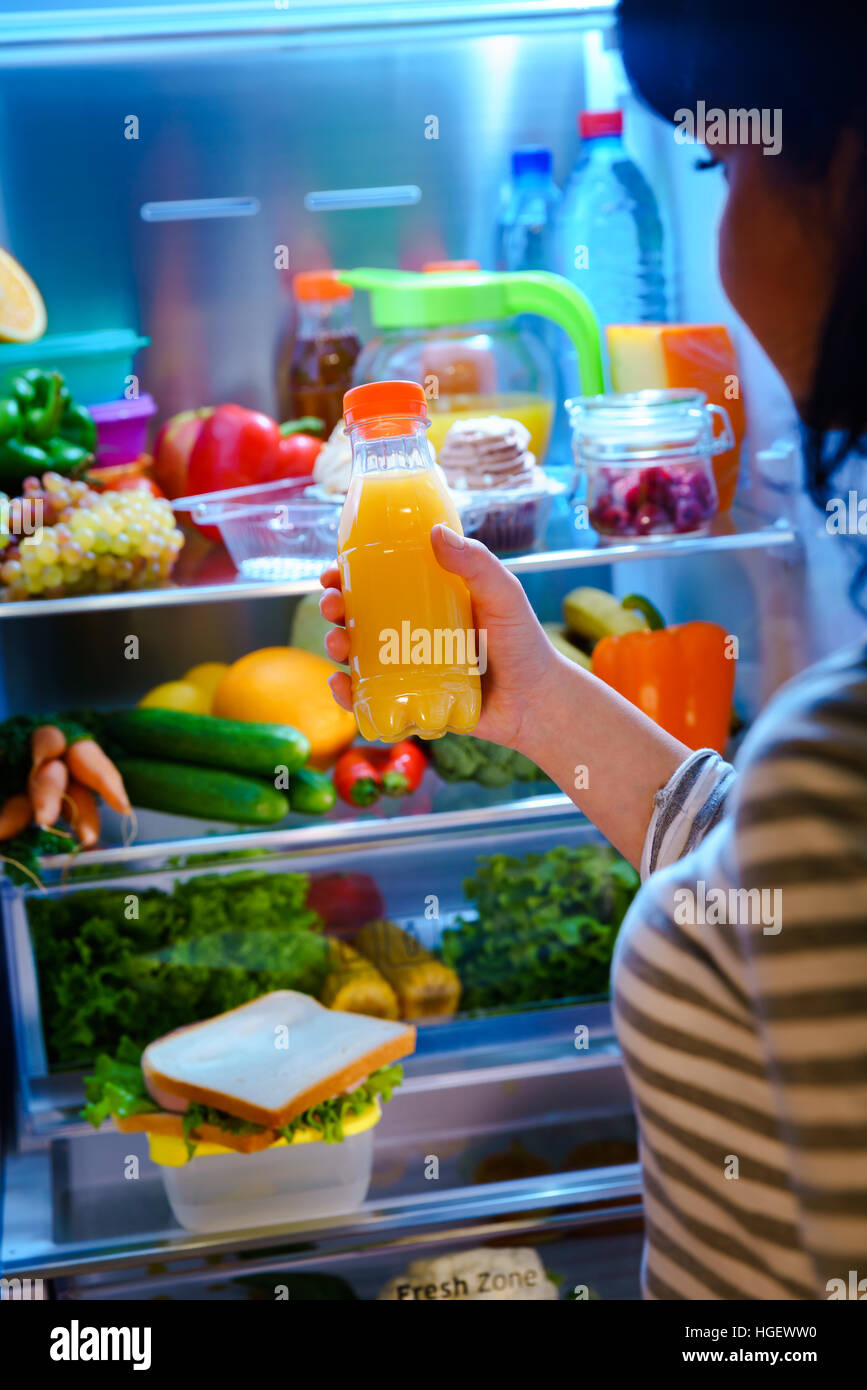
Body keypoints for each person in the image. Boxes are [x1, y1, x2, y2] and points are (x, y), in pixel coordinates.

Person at [320, 0, 867, 1299]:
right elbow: (758, 880)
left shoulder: (836, 757)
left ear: (850, 182)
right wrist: (536, 700)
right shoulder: (822, 783)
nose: (723, 237)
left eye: (721, 169)